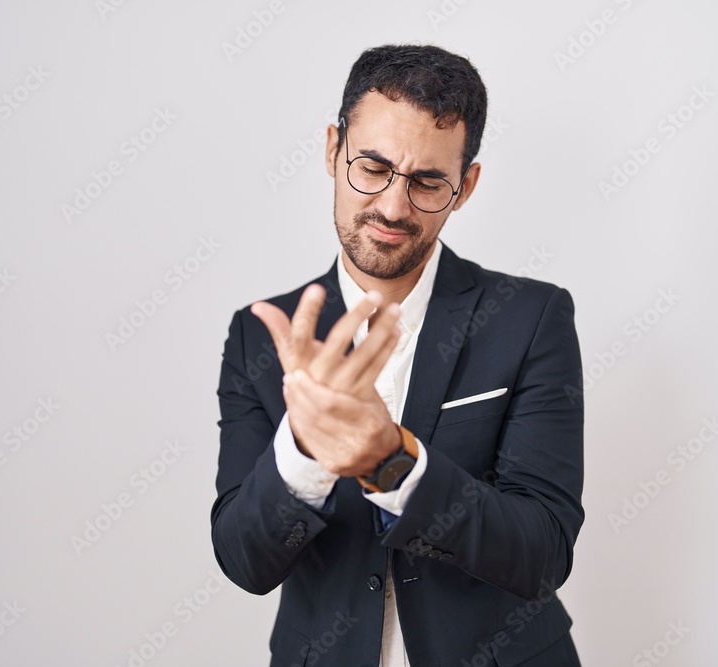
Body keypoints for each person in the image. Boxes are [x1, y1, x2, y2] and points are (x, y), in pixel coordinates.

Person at [211, 43, 584, 667]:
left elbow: (543, 554)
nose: (392, 206)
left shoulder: (531, 318)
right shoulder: (260, 337)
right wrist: (305, 449)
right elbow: (246, 561)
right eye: (373, 167)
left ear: (465, 187)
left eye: (427, 182)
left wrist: (392, 464)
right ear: (333, 150)